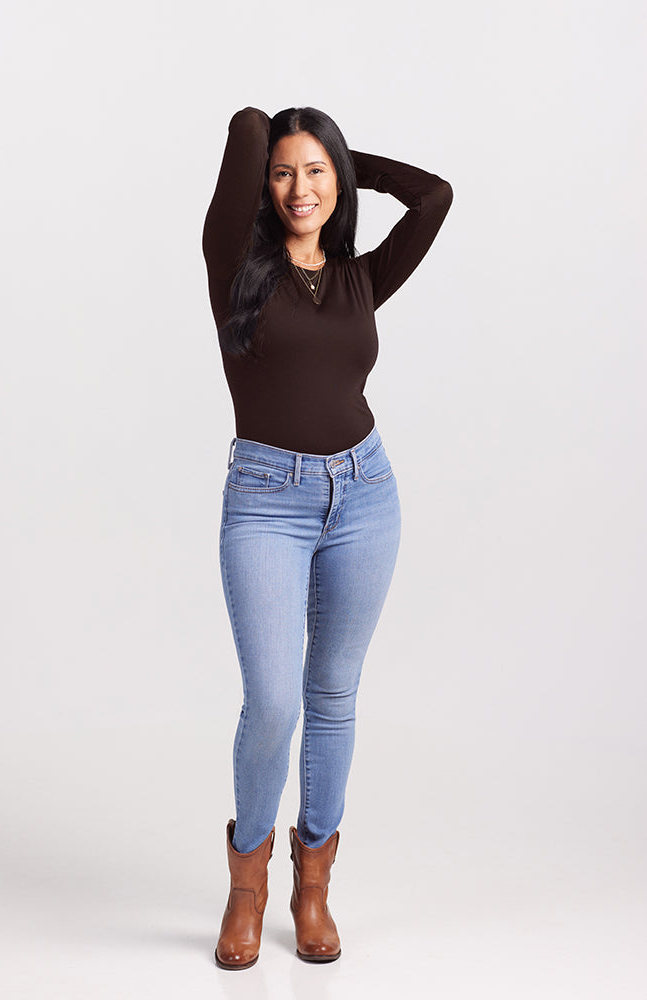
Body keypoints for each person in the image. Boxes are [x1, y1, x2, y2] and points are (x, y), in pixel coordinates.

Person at [202, 106, 452, 970]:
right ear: (263, 189)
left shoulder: (355, 278)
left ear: (336, 181)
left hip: (365, 493)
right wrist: (281, 138)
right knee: (275, 703)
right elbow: (244, 127)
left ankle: (314, 887)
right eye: (284, 174)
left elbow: (433, 196)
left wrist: (348, 161)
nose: (299, 188)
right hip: (267, 498)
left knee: (334, 694)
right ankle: (247, 888)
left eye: (315, 172)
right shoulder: (235, 266)